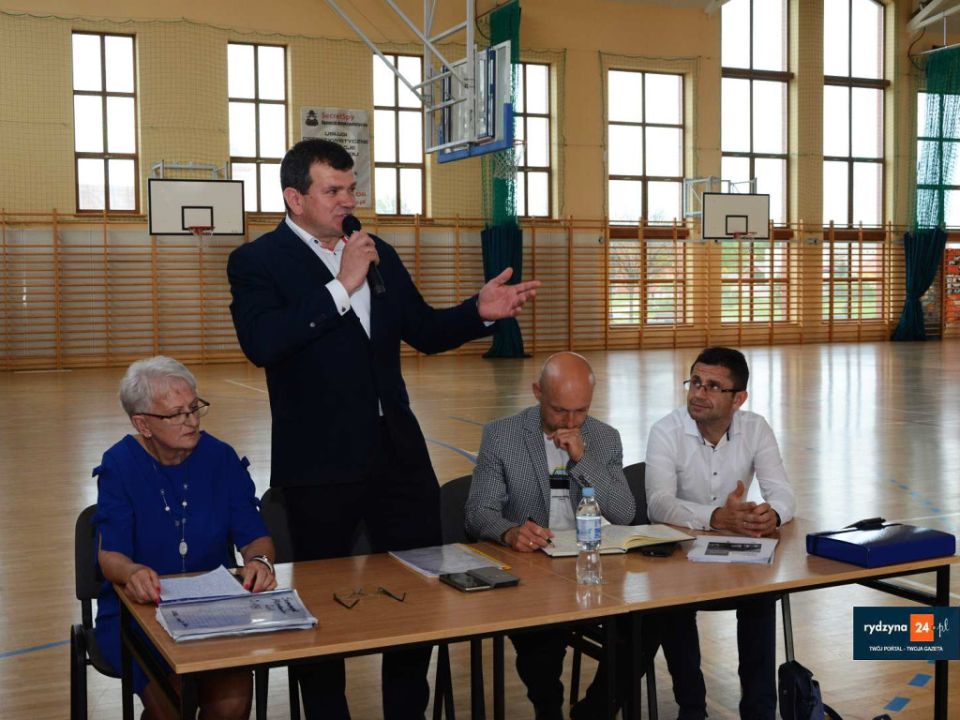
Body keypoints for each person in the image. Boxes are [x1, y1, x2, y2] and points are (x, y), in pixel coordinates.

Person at [226, 138, 539, 720]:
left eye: (352, 188)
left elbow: (423, 329)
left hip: (399, 458)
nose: (349, 200)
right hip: (318, 466)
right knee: (319, 606)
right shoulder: (258, 262)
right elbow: (263, 343)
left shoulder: (376, 252)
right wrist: (341, 285)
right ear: (295, 198)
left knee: (421, 597)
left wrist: (478, 312)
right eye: (333, 190)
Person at [93, 356, 276, 720]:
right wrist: (131, 572)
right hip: (141, 613)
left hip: (215, 609)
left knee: (232, 704)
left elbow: (256, 537)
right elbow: (110, 555)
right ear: (142, 423)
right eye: (176, 414)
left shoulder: (220, 458)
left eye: (194, 408)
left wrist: (260, 561)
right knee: (172, 703)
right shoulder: (120, 464)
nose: (191, 421)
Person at [465, 351, 641, 720]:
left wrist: (583, 459)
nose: (571, 422)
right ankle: (549, 711)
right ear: (537, 393)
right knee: (542, 642)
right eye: (561, 410)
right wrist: (509, 532)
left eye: (581, 410)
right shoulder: (502, 435)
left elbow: (624, 513)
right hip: (531, 573)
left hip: (588, 567)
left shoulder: (604, 437)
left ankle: (594, 712)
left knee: (646, 624)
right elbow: (478, 511)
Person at [644, 346, 796, 720]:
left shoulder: (755, 428)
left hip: (736, 553)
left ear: (738, 399)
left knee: (761, 595)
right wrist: (716, 517)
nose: (698, 393)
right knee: (671, 602)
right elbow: (658, 504)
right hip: (681, 554)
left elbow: (783, 492)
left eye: (713, 386)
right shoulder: (666, 430)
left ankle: (759, 710)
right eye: (695, 382)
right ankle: (692, 707)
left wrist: (771, 515)